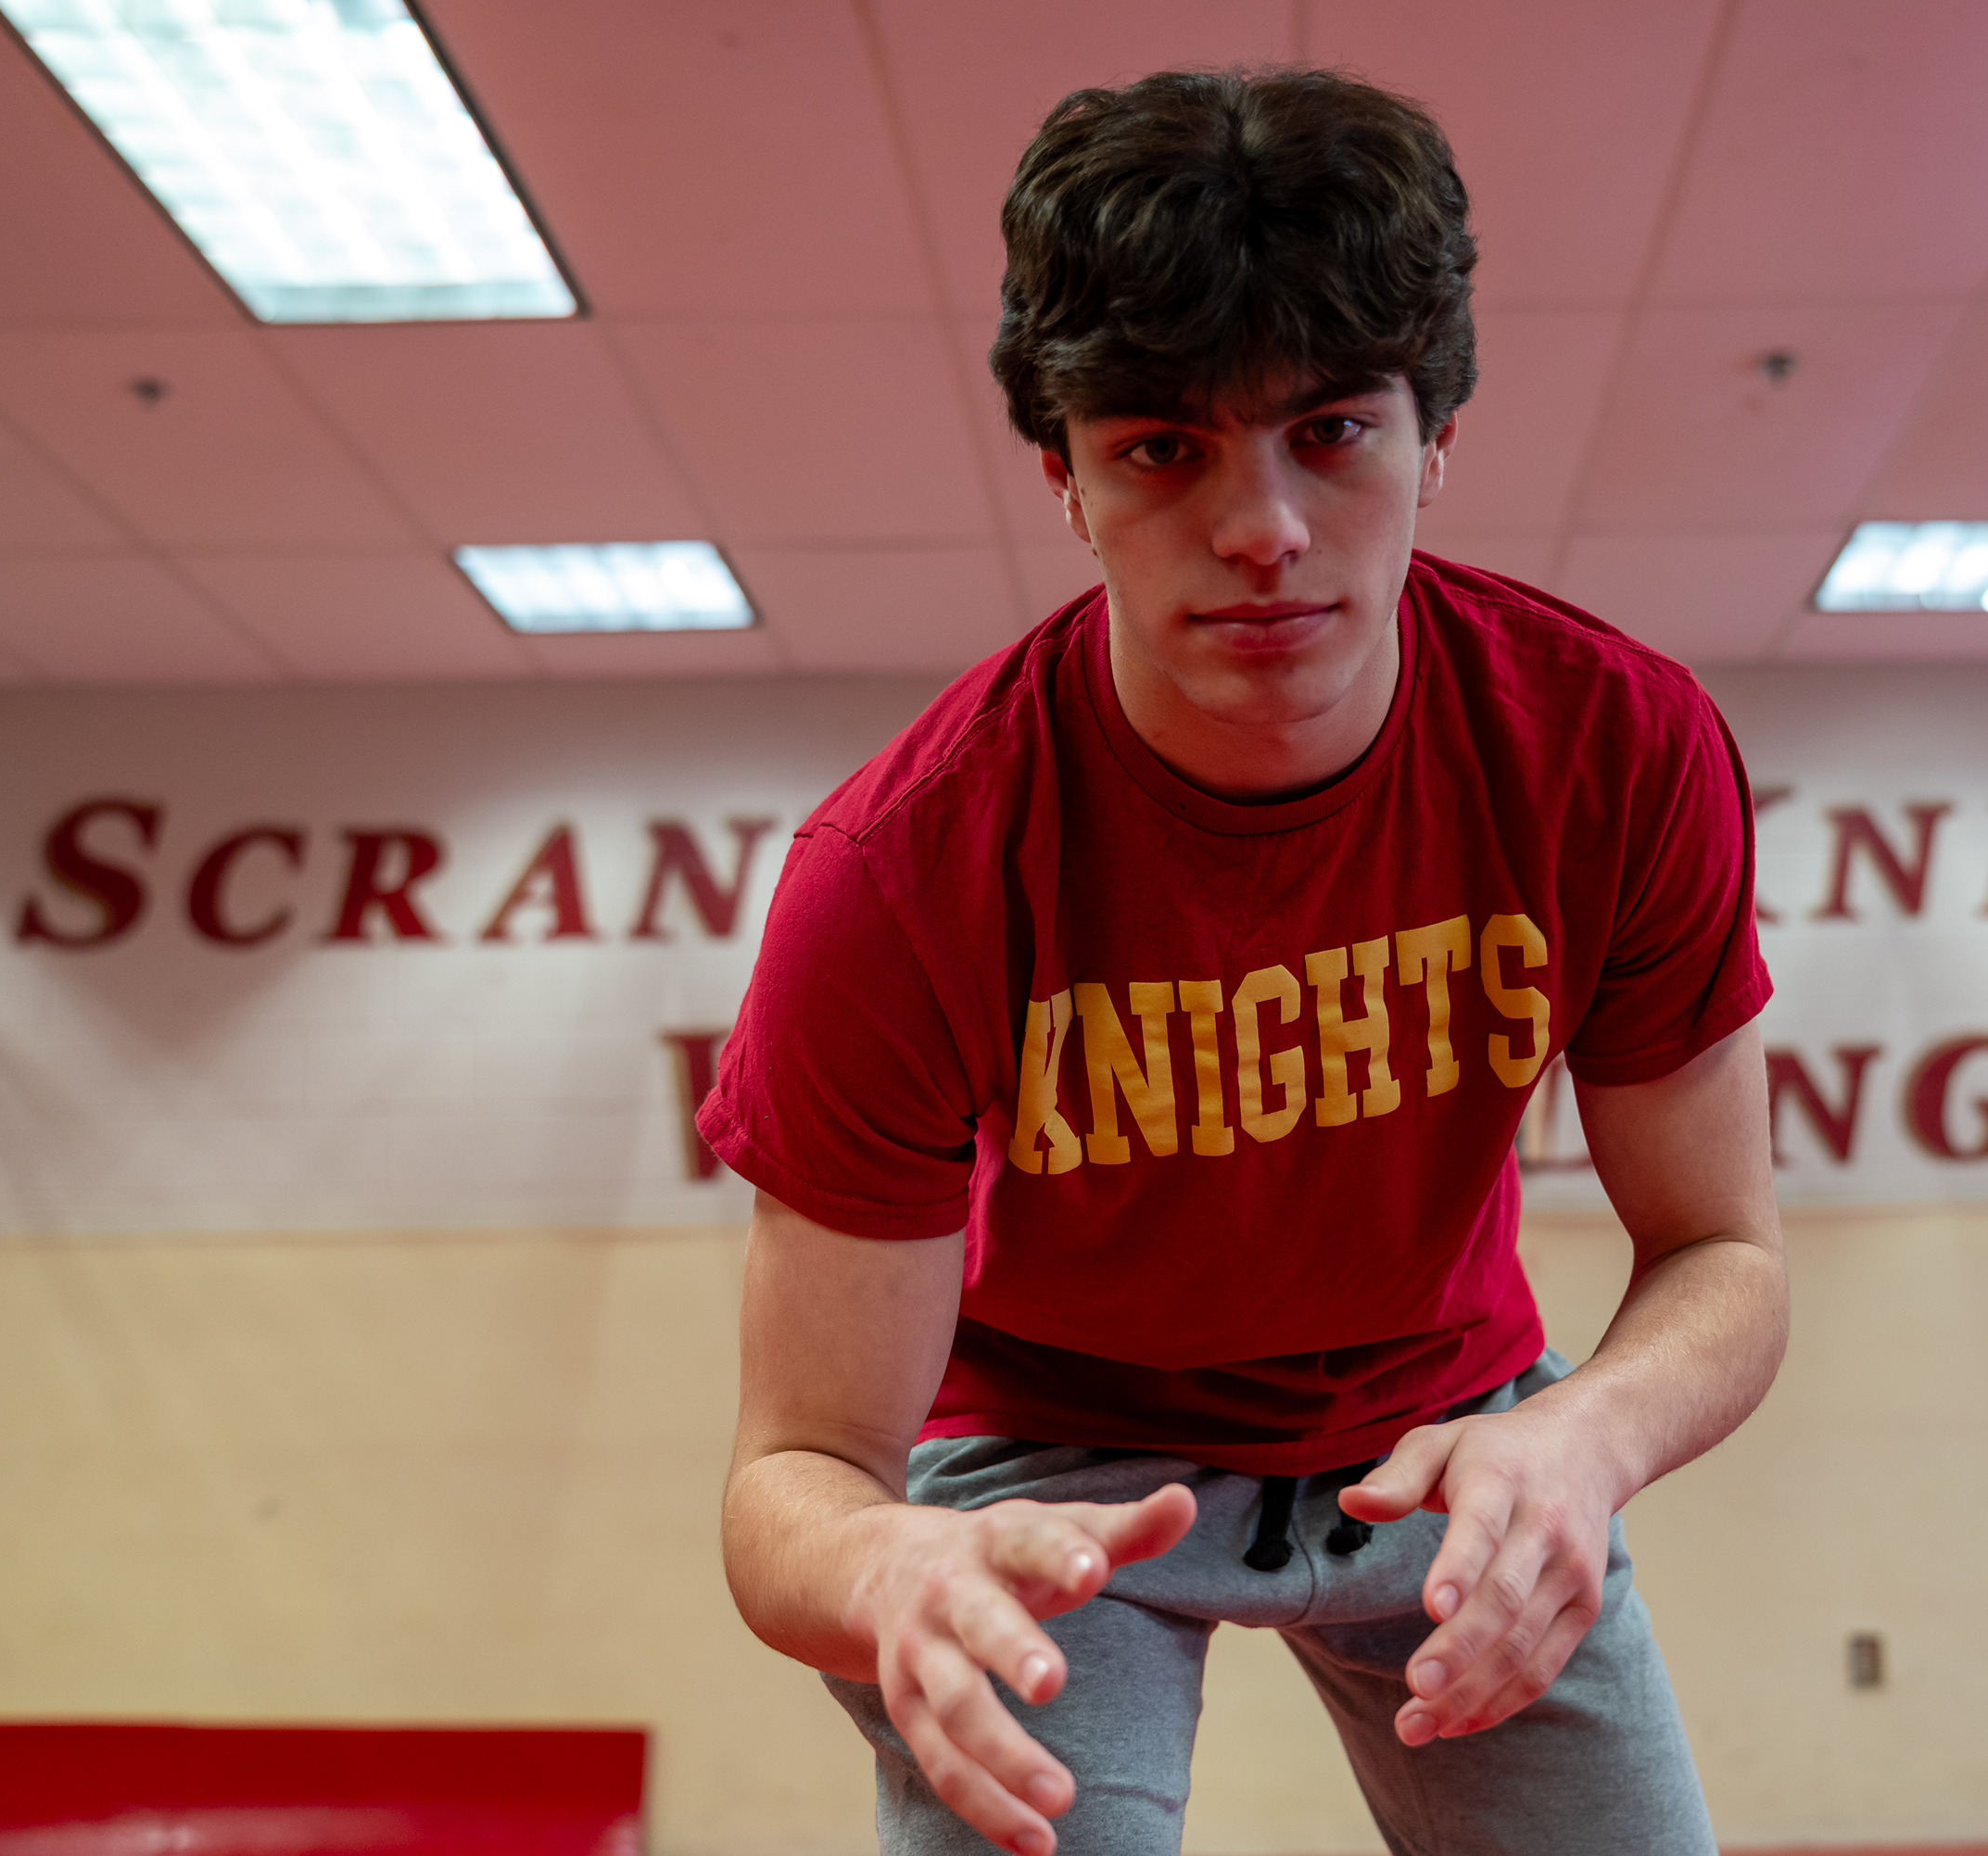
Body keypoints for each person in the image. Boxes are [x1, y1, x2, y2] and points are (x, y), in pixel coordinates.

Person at [703, 67, 1789, 1856]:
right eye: (1162, 447)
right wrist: (887, 1563)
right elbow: (792, 1473)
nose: (1262, 528)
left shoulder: (1616, 747)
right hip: (1052, 1483)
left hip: (1459, 1434)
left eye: (1334, 432)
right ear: (1063, 476)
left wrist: (1590, 1438)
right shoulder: (901, 874)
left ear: (1436, 436)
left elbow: (1724, 1255)